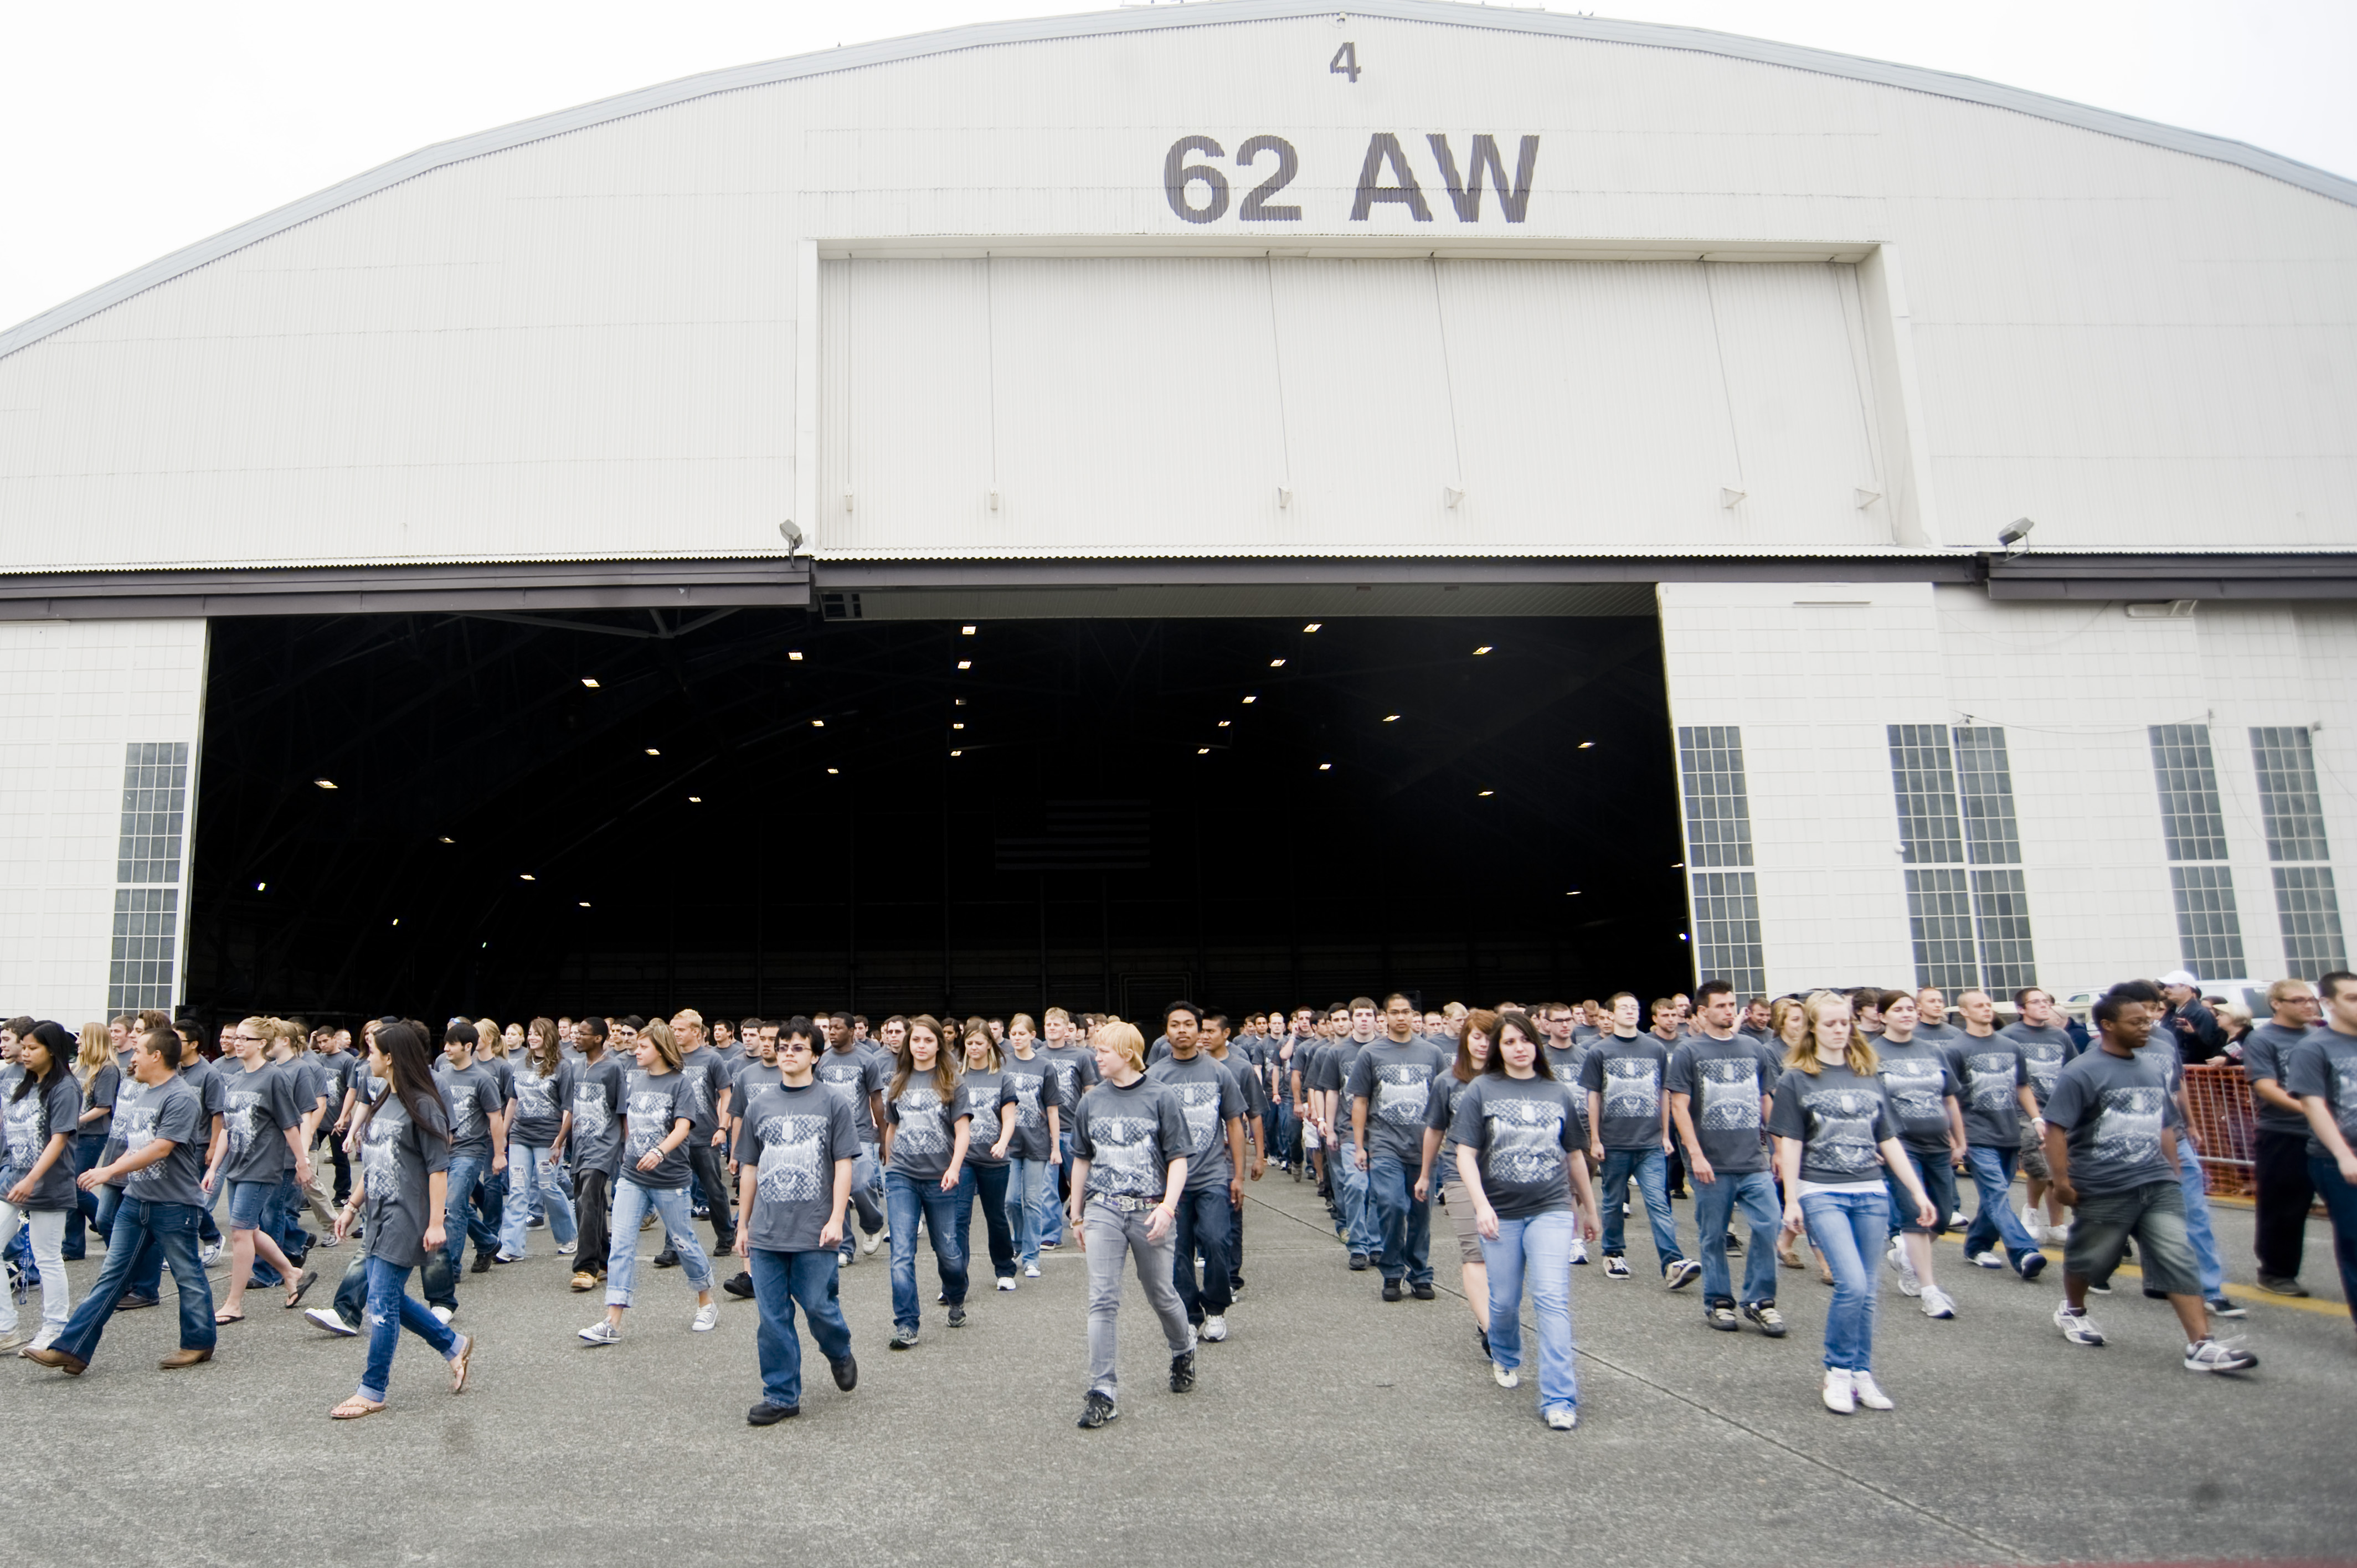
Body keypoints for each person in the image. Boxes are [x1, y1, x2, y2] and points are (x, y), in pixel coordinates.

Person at [2044, 990, 2256, 1373]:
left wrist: (2173, 1173)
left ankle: (2201, 1346)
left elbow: (2164, 1126)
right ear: (2107, 1026)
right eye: (2137, 1022)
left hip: (2156, 1181)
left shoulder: (2149, 1068)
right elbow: (2056, 1129)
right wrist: (2061, 1182)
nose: (2147, 1027)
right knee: (2089, 1259)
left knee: (2178, 1254)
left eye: (2148, 1021)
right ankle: (2073, 1309)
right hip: (2104, 1183)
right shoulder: (2082, 1071)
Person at [1768, 991, 1938, 1414]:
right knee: (1852, 1284)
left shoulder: (1868, 1073)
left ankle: (1863, 1373)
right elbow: (1791, 1141)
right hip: (1821, 1190)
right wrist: (1791, 1199)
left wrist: (1917, 1191)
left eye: (1845, 1022)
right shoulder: (1796, 1078)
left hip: (1870, 1191)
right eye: (1830, 1023)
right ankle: (1838, 1371)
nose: (1840, 1029)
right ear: (1812, 1028)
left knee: (1869, 1291)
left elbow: (1887, 1138)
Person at [27, 1026, 215, 1374]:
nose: (134, 1059)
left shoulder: (181, 1097)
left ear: (157, 1056)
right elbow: (136, 1143)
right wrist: (117, 1174)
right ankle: (72, 1349)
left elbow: (161, 1147)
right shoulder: (143, 1092)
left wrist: (107, 1171)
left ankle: (198, 1343)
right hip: (136, 1199)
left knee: (187, 1274)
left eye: (140, 1051)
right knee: (111, 1276)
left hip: (174, 1204)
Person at [1450, 1008, 1601, 1431]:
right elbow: (1465, 1153)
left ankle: (1559, 1397)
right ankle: (1505, 1351)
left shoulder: (1557, 1092)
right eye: (1510, 1042)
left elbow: (1574, 1155)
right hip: (1501, 1211)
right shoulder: (1482, 1089)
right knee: (1504, 1303)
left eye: (1526, 1040)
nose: (1519, 1049)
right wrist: (1481, 1205)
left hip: (1551, 1208)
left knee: (1552, 1299)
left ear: (1537, 1043)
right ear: (1499, 1049)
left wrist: (1588, 1209)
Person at [323, 1022, 475, 1416]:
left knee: (381, 1305)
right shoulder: (385, 1097)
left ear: (391, 1057)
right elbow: (375, 1164)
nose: (367, 1057)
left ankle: (372, 1390)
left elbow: (438, 1168)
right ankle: (452, 1344)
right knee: (384, 1292)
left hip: (408, 1217)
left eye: (372, 1051)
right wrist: (352, 1206)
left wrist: (437, 1222)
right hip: (379, 1213)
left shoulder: (423, 1104)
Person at [1069, 1019, 1196, 1429]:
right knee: (1102, 1299)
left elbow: (1178, 1157)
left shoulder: (1161, 1097)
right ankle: (1103, 1390)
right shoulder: (1092, 1101)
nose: (1096, 1057)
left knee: (1160, 1293)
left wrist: (1168, 1208)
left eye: (1103, 1051)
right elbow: (1082, 1158)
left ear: (1126, 1053)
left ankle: (1183, 1348)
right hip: (1103, 1207)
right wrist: (1077, 1213)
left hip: (1150, 1209)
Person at [733, 1023, 860, 1425]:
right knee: (772, 1319)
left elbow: (843, 1166)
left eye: (798, 1048)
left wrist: (838, 1218)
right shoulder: (760, 1105)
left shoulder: (833, 1103)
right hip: (768, 1232)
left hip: (815, 1229)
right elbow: (749, 1168)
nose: (788, 1053)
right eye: (783, 1046)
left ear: (815, 1056)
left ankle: (838, 1350)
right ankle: (782, 1395)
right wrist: (743, 1225)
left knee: (820, 1307)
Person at [579, 1019, 718, 1345]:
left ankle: (706, 1301)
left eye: (643, 1046)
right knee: (622, 1246)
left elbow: (684, 1126)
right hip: (631, 1176)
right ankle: (613, 1320)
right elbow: (628, 1123)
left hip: (670, 1178)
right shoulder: (635, 1081)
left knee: (684, 1242)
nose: (635, 1051)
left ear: (660, 1048)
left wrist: (660, 1151)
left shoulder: (680, 1083)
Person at [1666, 982, 1787, 1336]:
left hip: (1753, 1160)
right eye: (1720, 1006)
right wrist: (1696, 1155)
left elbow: (1767, 1099)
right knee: (1714, 1236)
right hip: (1711, 1163)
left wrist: (1778, 1148)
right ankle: (1718, 1302)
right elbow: (1679, 1106)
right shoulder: (1689, 1052)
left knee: (1769, 1226)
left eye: (1732, 1004)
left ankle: (1760, 1301)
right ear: (1702, 1012)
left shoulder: (1753, 1048)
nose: (1729, 1011)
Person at [1145, 1002, 1248, 1340]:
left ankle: (1216, 1308)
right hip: (1170, 1184)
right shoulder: (1155, 1076)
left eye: (1190, 1024)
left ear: (1200, 1030)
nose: (1183, 1031)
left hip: (1212, 1176)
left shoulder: (1220, 1072)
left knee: (1218, 1242)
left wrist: (1239, 1175)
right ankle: (1189, 1314)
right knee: (1178, 1251)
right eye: (1175, 1025)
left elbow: (1235, 1124)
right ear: (1166, 1032)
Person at [1581, 992, 1695, 1287]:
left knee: (1659, 1202)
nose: (1631, 1012)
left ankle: (1672, 1262)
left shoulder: (1655, 1049)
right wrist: (1595, 1139)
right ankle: (1613, 1253)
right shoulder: (1600, 1051)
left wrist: (1666, 1135)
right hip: (1614, 1141)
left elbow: (1663, 1094)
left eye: (1635, 1007)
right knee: (1614, 1201)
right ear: (1611, 1014)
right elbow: (1594, 1097)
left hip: (1650, 1142)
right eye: (1624, 1008)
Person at [212, 1017, 317, 1323]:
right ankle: (290, 1271)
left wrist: (302, 1162)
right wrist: (215, 1167)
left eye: (245, 1038)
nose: (237, 1042)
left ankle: (234, 1303)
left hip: (262, 1166)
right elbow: (228, 1130)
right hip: (237, 1165)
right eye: (237, 1038)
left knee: (240, 1232)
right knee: (251, 1230)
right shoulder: (234, 1078)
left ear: (262, 1044)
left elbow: (290, 1124)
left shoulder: (274, 1078)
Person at [1349, 993, 1449, 1304]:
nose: (1401, 1017)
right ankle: (1393, 1271)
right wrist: (1360, 1145)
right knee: (1391, 1205)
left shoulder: (1432, 1053)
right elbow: (1361, 1101)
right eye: (1395, 1012)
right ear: (1385, 1017)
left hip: (1424, 1146)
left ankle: (1420, 1273)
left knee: (1421, 1213)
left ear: (1413, 1015)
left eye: (1406, 1012)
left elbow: (1443, 1098)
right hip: (1385, 1144)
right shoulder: (1371, 1053)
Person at [1871, 991, 1965, 1319]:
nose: (1907, 1014)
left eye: (1911, 1009)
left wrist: (1959, 1139)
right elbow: (1866, 1103)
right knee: (1916, 1214)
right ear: (1882, 1017)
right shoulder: (1871, 1054)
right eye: (1898, 1010)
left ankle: (1906, 1258)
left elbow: (1949, 1098)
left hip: (1938, 1143)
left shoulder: (1932, 1051)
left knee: (1940, 1217)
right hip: (1900, 1145)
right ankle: (1930, 1290)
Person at [1946, 989, 2050, 1280]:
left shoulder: (2010, 1046)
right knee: (1997, 1193)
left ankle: (1977, 1245)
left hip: (2008, 1132)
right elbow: (1948, 1098)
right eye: (1978, 1005)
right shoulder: (1954, 1049)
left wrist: (2036, 1118)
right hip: (1975, 1133)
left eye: (1989, 1004)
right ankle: (2024, 1251)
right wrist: (1955, 1139)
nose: (1986, 1009)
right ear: (1964, 1012)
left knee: (1995, 1197)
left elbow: (2022, 1086)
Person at [881, 1015, 971, 1348]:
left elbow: (963, 1130)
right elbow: (892, 1127)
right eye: (915, 1040)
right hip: (902, 1176)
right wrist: (890, 1164)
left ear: (939, 1044)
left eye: (927, 1040)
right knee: (902, 1252)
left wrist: (955, 1168)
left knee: (948, 1252)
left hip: (941, 1178)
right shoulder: (897, 1081)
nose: (921, 1046)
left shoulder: (952, 1081)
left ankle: (957, 1296)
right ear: (908, 1044)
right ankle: (907, 1323)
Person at [1, 1022, 82, 1352]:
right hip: (12, 1180)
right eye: (24, 1046)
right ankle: (6, 1330)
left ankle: (54, 1329)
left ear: (51, 1050)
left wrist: (32, 1178)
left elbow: (59, 1139)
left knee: (47, 1257)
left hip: (48, 1185)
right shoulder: (23, 1083)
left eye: (32, 1048)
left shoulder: (64, 1087)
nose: (24, 1053)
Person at [2285, 969, 2357, 1338]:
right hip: (2337, 1160)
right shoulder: (2314, 1047)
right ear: (2328, 1003)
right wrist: (2344, 1155)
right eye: (2352, 998)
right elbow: (2314, 1106)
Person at [1420, 1008, 1496, 1353]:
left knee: (1504, 1255)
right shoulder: (1447, 1081)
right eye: (1477, 1036)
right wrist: (1425, 1175)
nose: (1483, 1044)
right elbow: (1435, 1130)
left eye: (1490, 1037)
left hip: (1506, 1177)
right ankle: (1491, 1328)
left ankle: (1497, 1312)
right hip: (1458, 1174)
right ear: (1465, 1039)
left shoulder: (1511, 1080)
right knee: (1475, 1251)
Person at [2243, 978, 2322, 1296]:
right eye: (2299, 1000)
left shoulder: (2319, 1037)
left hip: (2330, 1134)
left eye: (2311, 1000)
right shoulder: (2263, 1040)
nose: (2308, 1005)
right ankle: (2276, 1272)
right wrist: (2310, 1111)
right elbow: (2265, 1086)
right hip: (2284, 1134)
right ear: (2276, 1003)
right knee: (2285, 1207)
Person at [497, 1018, 577, 1263]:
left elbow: (568, 1107)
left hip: (548, 1137)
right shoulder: (519, 1064)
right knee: (518, 1189)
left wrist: (561, 1140)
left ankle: (568, 1237)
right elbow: (513, 1101)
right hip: (520, 1136)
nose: (531, 1038)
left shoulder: (563, 1067)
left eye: (537, 1034)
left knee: (547, 1187)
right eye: (530, 1033)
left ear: (549, 1038)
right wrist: (502, 1135)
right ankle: (511, 1247)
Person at [557, 1015, 627, 1294]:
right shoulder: (575, 1068)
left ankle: (586, 1267)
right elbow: (571, 1109)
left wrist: (626, 1148)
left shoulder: (613, 1068)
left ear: (598, 1038)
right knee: (587, 1202)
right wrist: (560, 1141)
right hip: (580, 1146)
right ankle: (606, 1256)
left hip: (604, 1146)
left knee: (588, 1199)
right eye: (576, 1033)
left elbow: (622, 1110)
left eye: (583, 1034)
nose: (576, 1037)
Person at [2003, 988, 2076, 1243]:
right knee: (2039, 1166)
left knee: (2060, 1166)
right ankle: (2031, 1212)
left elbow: (2072, 1069)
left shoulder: (2060, 1036)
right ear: (2021, 1009)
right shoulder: (2009, 1036)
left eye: (2046, 1002)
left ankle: (2057, 1225)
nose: (2044, 1006)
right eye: (2036, 1002)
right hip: (2025, 1110)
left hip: (2058, 1109)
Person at [816, 1017, 890, 1265]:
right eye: (830, 1028)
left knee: (862, 1185)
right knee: (837, 1193)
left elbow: (876, 1100)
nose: (832, 1032)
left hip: (860, 1133)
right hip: (829, 1136)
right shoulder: (823, 1059)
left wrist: (883, 1136)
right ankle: (844, 1247)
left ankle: (872, 1224)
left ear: (851, 1031)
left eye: (838, 1028)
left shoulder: (867, 1059)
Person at [952, 1025, 1020, 1293]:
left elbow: (1009, 1118)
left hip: (994, 1159)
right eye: (970, 1043)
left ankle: (1004, 1269)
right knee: (958, 1219)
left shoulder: (1003, 1078)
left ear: (990, 1044)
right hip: (963, 1158)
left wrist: (1002, 1143)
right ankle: (955, 1279)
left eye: (980, 1043)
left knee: (996, 1217)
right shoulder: (955, 1077)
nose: (974, 1048)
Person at [999, 1013, 1062, 1280]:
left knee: (1033, 1200)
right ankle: (1018, 1243)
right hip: (1009, 1143)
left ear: (1033, 1036)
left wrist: (1056, 1146)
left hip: (1037, 1142)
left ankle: (1032, 1257)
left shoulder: (1045, 1066)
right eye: (1013, 1033)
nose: (1016, 1038)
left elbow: (1052, 1109)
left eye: (1022, 1034)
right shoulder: (1001, 1064)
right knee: (1011, 1200)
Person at [1037, 1008, 1098, 1249]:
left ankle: (1091, 1225)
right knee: (1048, 1186)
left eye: (1056, 1025)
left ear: (1066, 1029)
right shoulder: (1036, 1054)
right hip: (1045, 1131)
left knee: (1083, 1182)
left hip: (1074, 1128)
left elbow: (1089, 1090)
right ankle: (1050, 1234)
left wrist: (1089, 1124)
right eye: (1048, 1024)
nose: (1051, 1028)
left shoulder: (1081, 1055)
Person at [63, 1023, 118, 1261]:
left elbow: (104, 1107)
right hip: (74, 1134)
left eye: (82, 1039)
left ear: (94, 1040)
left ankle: (109, 1227)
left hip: (93, 1134)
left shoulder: (108, 1069)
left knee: (77, 1186)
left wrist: (76, 1120)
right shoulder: (79, 1066)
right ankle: (73, 1247)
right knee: (70, 1188)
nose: (77, 1043)